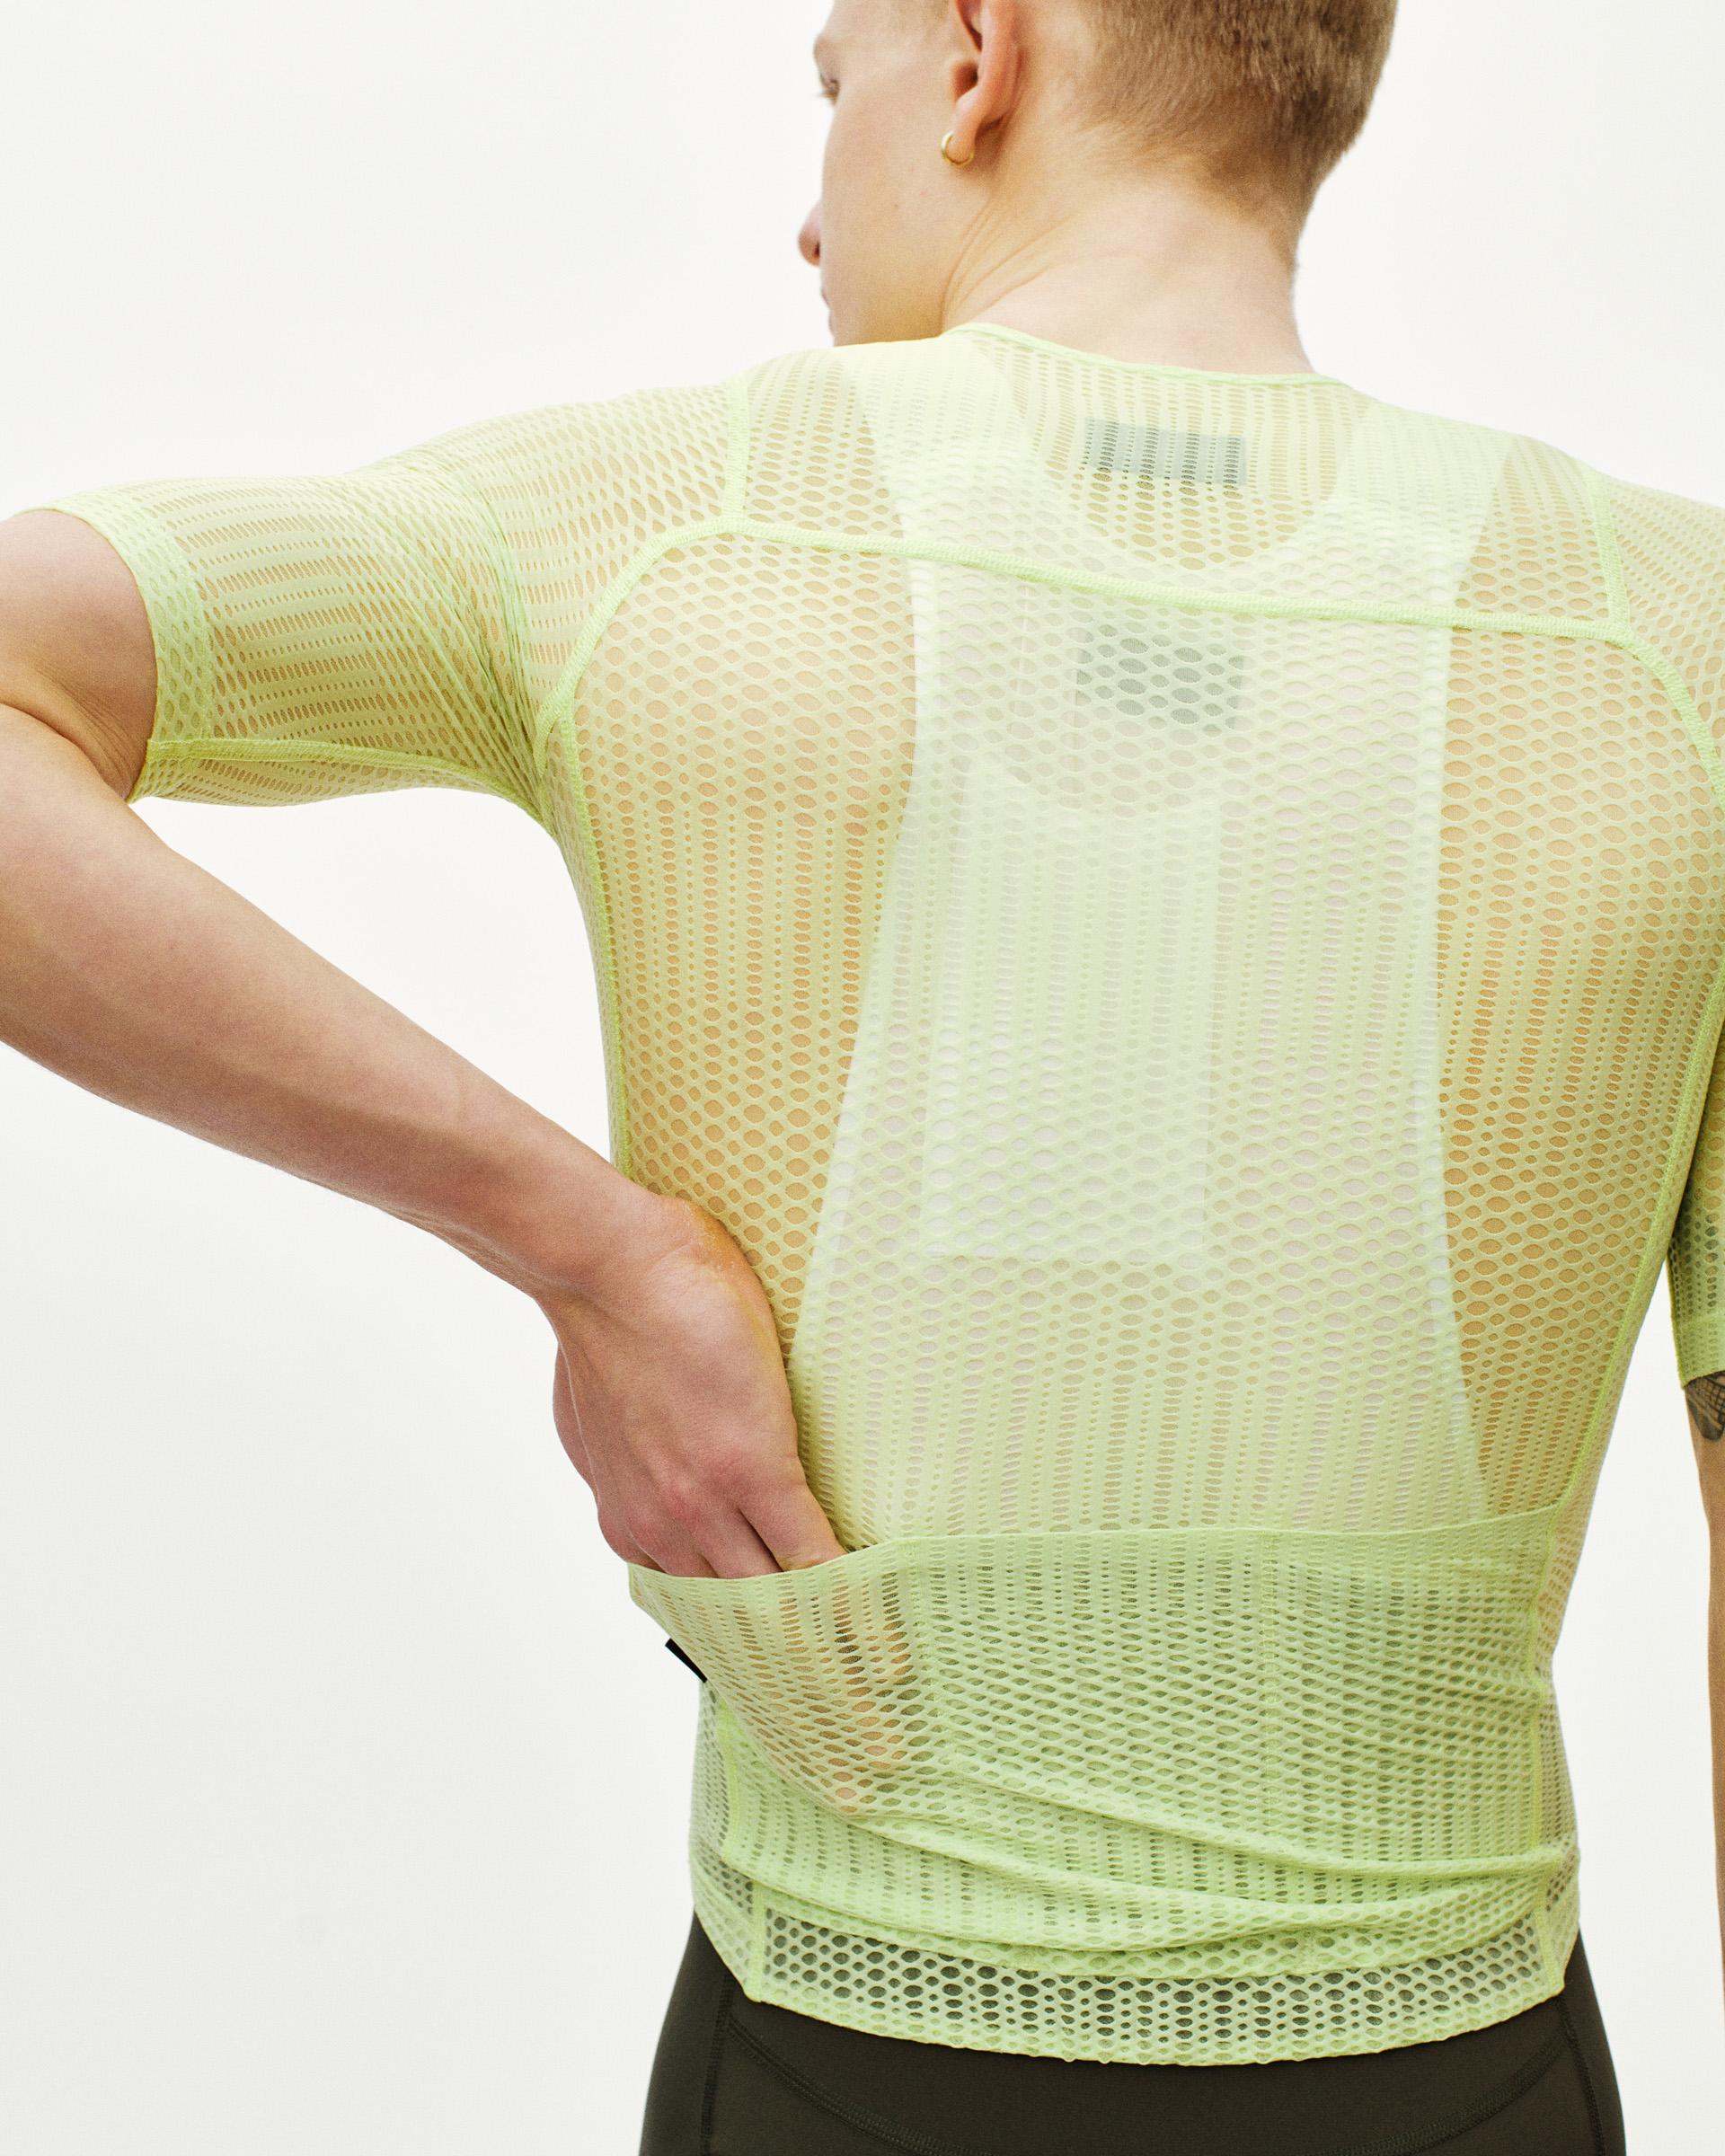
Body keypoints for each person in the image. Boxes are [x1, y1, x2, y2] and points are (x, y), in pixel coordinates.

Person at [10, 0, 1724, 2145]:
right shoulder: (1680, 651)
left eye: (835, 88)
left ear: (982, 56)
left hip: (824, 2070)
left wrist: (592, 1254)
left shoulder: (667, 528)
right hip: (1474, 2081)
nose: (810, 221)